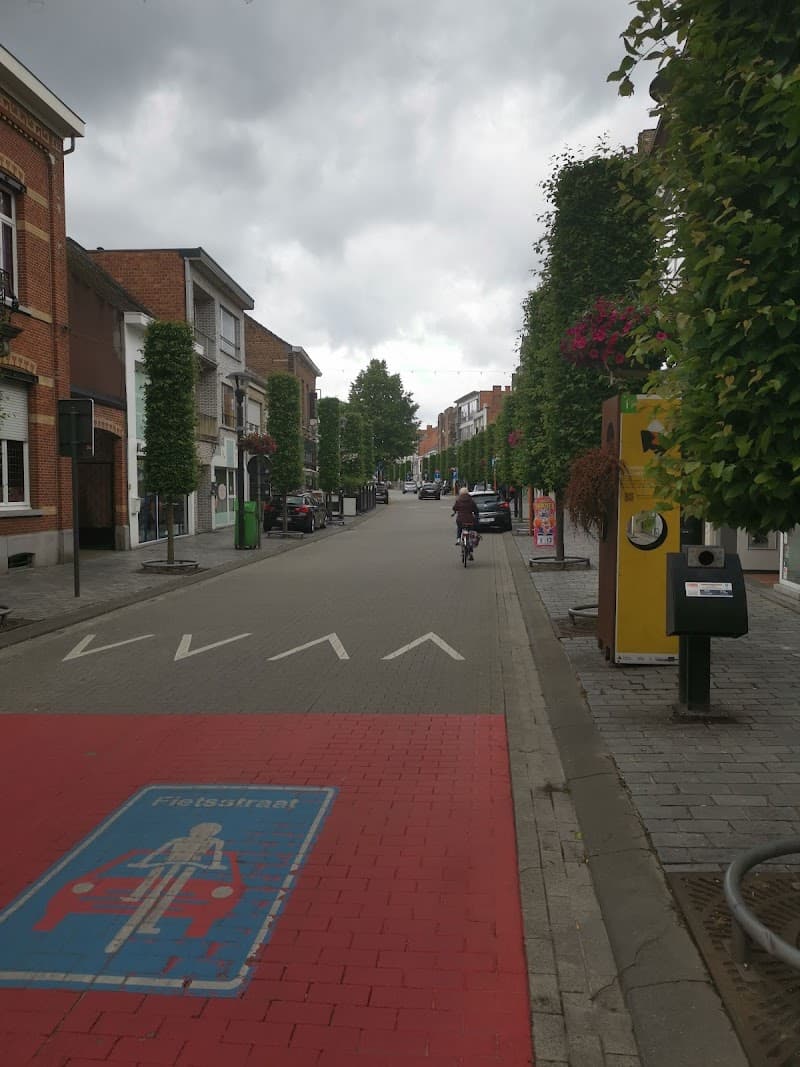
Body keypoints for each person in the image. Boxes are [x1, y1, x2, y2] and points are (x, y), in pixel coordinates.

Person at [452, 486, 479, 558]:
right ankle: (471, 552)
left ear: (460, 493)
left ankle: (458, 539)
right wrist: (476, 516)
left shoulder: (458, 500)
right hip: (470, 520)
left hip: (460, 519)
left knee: (459, 527)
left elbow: (454, 508)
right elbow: (476, 510)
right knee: (471, 533)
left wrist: (455, 511)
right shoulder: (471, 500)